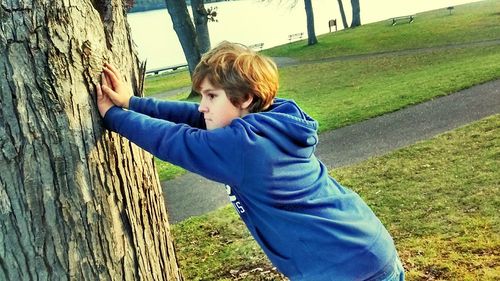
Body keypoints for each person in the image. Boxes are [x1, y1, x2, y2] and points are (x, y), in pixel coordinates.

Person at [95, 41, 405, 281]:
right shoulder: (271, 118)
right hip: (365, 251)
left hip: (350, 270)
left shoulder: (245, 148)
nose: (202, 107)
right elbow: (194, 119)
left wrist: (114, 116)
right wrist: (133, 103)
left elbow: (177, 141)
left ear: (244, 99)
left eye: (211, 96)